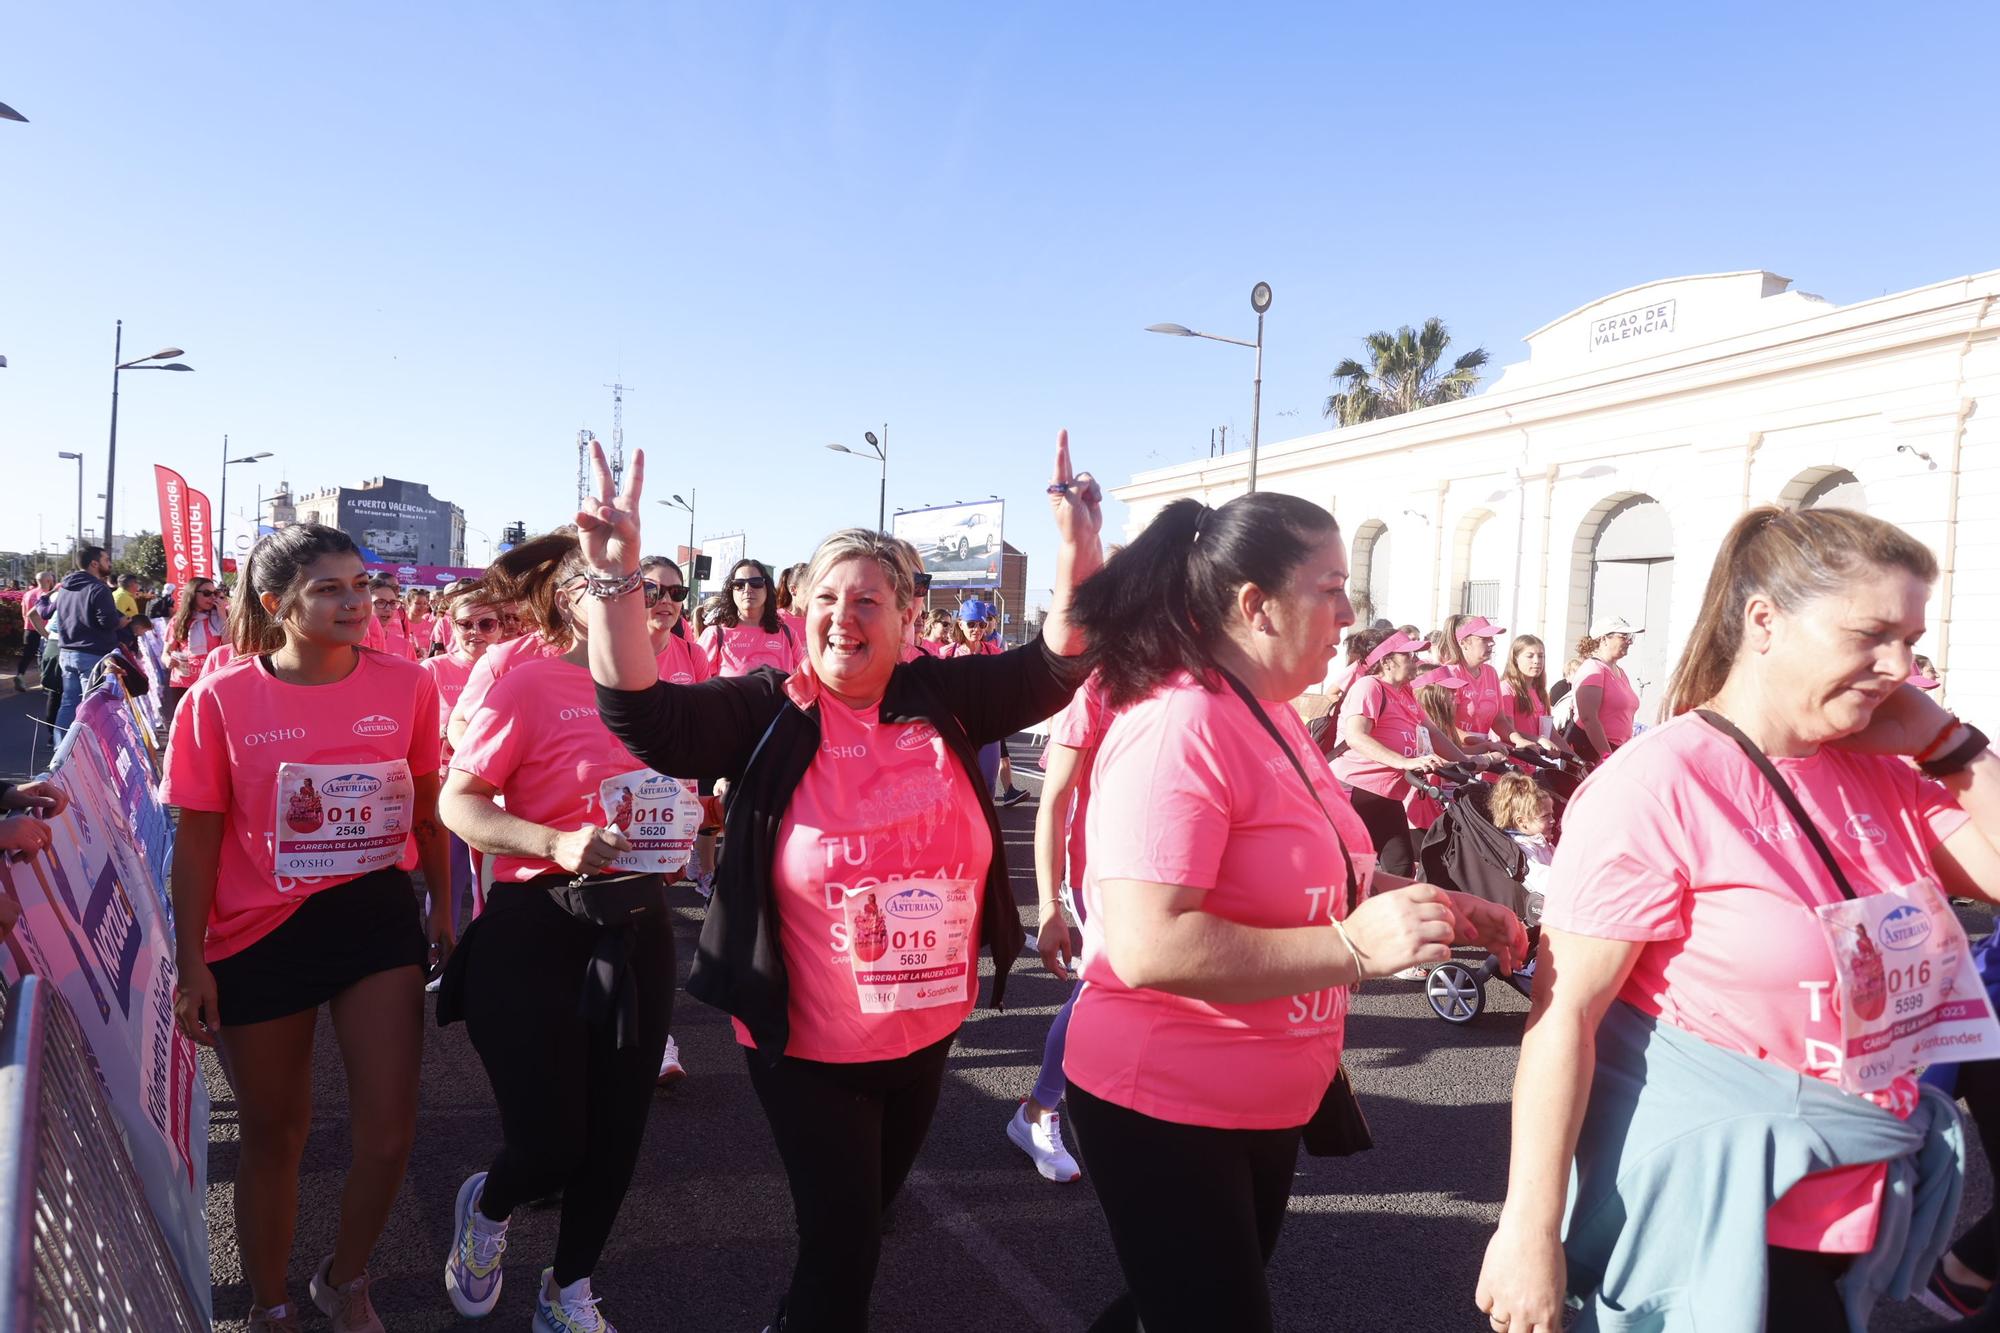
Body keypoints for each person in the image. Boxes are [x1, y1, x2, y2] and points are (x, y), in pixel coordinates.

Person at [577, 433, 1100, 1332]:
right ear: (798, 612)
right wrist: (622, 581)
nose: (843, 615)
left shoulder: (945, 698)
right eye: (826, 596)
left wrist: (1074, 552)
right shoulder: (767, 709)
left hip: (926, 1026)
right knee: (846, 1243)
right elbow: (646, 715)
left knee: (870, 1222)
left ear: (905, 619)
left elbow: (1055, 663)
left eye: (868, 599)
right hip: (807, 1041)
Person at [1476, 506, 2000, 1333]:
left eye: (1910, 637)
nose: (1899, 664)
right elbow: (1563, 1015)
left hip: (1852, 1207)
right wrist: (1527, 1231)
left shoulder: (1883, 770)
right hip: (1715, 1221)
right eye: (1871, 633)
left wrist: (1948, 742)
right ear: (1765, 620)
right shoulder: (1658, 784)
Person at [1060, 492, 1525, 1333]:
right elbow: (1144, 942)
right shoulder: (1180, 723)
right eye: (1331, 587)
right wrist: (1351, 950)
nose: (1351, 613)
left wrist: (1438, 906)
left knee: (1172, 1310)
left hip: (1262, 1100)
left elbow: (1327, 876)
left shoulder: (1270, 712)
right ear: (1254, 605)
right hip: (1166, 1099)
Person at [163, 523, 454, 1333]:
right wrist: (192, 961)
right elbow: (197, 838)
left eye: (360, 585)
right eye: (330, 589)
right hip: (258, 931)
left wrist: (445, 906)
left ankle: (344, 1280)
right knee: (276, 1134)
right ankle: (270, 1303)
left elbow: (427, 804)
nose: (354, 602)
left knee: (390, 1132)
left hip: (374, 916)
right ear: (276, 604)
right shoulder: (218, 699)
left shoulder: (410, 685)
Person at [435, 532, 693, 1333]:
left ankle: (567, 1291)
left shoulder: (670, 694)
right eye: (605, 583)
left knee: (618, 1137)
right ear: (565, 601)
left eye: (638, 582)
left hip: (638, 927)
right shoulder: (530, 685)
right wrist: (554, 841)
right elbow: (458, 804)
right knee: (550, 1143)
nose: (631, 594)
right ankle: (490, 1204)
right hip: (536, 922)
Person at [1010, 671, 1111, 1183]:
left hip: (1180, 873)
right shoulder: (1098, 690)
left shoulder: (1205, 679)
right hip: (1101, 873)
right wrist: (1049, 904)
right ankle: (1038, 1111)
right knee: (1100, 988)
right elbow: (1052, 803)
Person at [419, 579, 507, 935]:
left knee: (489, 886)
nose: (475, 632)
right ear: (451, 624)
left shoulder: (511, 667)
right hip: (445, 788)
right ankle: (441, 955)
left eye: (486, 624)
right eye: (466, 624)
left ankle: (478, 964)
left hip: (500, 792)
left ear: (501, 625)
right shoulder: (432, 670)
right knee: (447, 881)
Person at [1331, 627, 1448, 878]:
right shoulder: (1369, 686)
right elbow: (1356, 737)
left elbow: (1434, 734)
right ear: (1386, 662)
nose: (1415, 660)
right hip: (1355, 792)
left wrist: (1470, 760)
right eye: (1408, 656)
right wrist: (1405, 762)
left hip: (1387, 795)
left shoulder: (1405, 692)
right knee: (1347, 872)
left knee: (1401, 871)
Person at [954, 600, 1031, 806]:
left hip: (988, 729)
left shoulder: (995, 653)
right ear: (960, 623)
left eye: (981, 624)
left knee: (988, 782)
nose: (977, 629)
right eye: (971, 624)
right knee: (959, 782)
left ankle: (984, 828)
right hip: (957, 729)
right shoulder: (946, 655)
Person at [51, 545, 124, 739]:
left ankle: (61, 753)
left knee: (68, 703)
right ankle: (89, 754)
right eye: (106, 560)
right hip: (92, 654)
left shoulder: (64, 588)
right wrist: (120, 621)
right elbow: (107, 621)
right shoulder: (99, 588)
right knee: (91, 706)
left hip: (67, 652)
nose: (109, 563)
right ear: (94, 563)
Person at [699, 558, 800, 677]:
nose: (747, 589)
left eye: (756, 582)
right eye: (739, 584)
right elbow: (698, 688)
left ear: (767, 588)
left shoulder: (788, 635)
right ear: (731, 591)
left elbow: (805, 682)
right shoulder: (714, 636)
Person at [1569, 614, 1642, 760]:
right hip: (1593, 752)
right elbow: (1588, 718)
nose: (1629, 642)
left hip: (1617, 750)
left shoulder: (1620, 671)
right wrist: (1606, 756)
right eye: (1624, 637)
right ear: (1604, 639)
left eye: (1631, 637)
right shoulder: (1594, 669)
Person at [164, 578, 227, 735]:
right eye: (206, 593)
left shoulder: (220, 618)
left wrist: (222, 614)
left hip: (211, 683)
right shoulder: (178, 621)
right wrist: (168, 660)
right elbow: (165, 653)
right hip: (183, 683)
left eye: (215, 593)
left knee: (210, 732)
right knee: (186, 731)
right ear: (192, 594)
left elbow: (229, 646)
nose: (212, 598)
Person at [1496, 634, 1560, 753]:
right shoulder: (1506, 689)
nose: (1537, 661)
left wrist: (1577, 761)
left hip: (1532, 763)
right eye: (1530, 656)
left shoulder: (1539, 691)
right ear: (1515, 658)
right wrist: (1539, 739)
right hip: (1510, 763)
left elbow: (1551, 732)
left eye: (1541, 656)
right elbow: (1507, 730)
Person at [15, 570, 54, 691]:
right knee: (45, 656)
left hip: (28, 628)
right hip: (44, 630)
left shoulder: (28, 594)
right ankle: (45, 681)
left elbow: (24, 612)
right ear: (48, 581)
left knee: (27, 655)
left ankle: (20, 675)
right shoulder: (46, 594)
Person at [369, 575, 420, 661]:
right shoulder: (349, 644)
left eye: (392, 603)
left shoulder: (405, 646)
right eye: (380, 602)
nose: (388, 609)